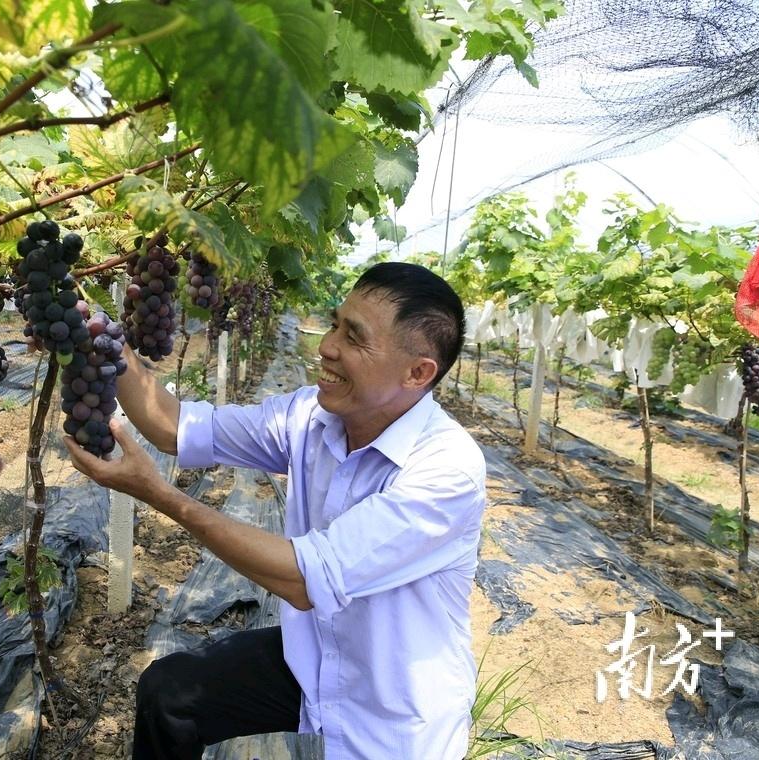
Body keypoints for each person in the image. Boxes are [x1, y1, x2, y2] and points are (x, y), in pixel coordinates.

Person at [64, 262, 487, 760]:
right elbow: (176, 426)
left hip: (393, 703)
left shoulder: (447, 469)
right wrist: (96, 329)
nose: (327, 345)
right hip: (315, 656)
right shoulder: (310, 416)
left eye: (354, 337)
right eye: (335, 324)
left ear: (418, 373)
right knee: (170, 692)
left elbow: (305, 580)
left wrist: (160, 494)